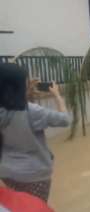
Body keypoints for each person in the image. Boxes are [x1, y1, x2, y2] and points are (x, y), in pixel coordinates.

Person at [0, 63, 71, 202]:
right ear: (19, 85)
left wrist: (25, 91)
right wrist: (57, 95)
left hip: (6, 172)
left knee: (19, 209)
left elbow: (13, 106)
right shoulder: (33, 111)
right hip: (35, 175)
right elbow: (65, 120)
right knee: (36, 209)